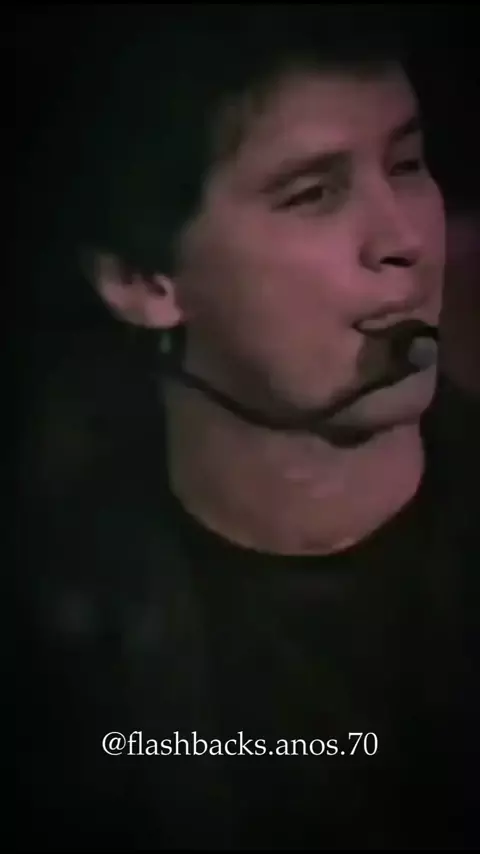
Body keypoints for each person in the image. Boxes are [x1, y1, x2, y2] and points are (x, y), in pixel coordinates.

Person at [18, 6, 479, 851]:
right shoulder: (50, 615)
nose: (406, 239)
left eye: (407, 164)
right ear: (141, 282)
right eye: (314, 194)